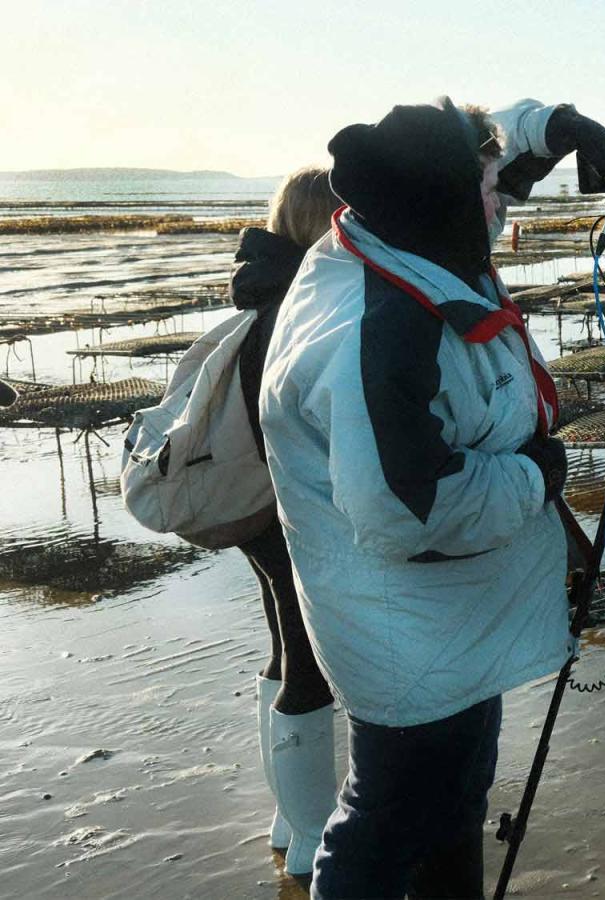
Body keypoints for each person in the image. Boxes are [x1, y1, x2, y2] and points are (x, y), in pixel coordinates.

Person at [259, 96, 605, 897]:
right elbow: (407, 506)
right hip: (406, 639)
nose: (502, 202)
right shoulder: (377, 320)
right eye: (488, 188)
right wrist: (541, 473)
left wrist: (554, 127)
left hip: (444, 625)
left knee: (450, 803)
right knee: (390, 820)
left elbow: (484, 160)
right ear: (451, 199)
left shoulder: (408, 239)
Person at [234, 167, 343, 877]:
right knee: (308, 663)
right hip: (288, 507)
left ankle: (290, 818)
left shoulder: (258, 289)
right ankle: (309, 838)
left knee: (284, 647)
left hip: (254, 507)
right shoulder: (295, 305)